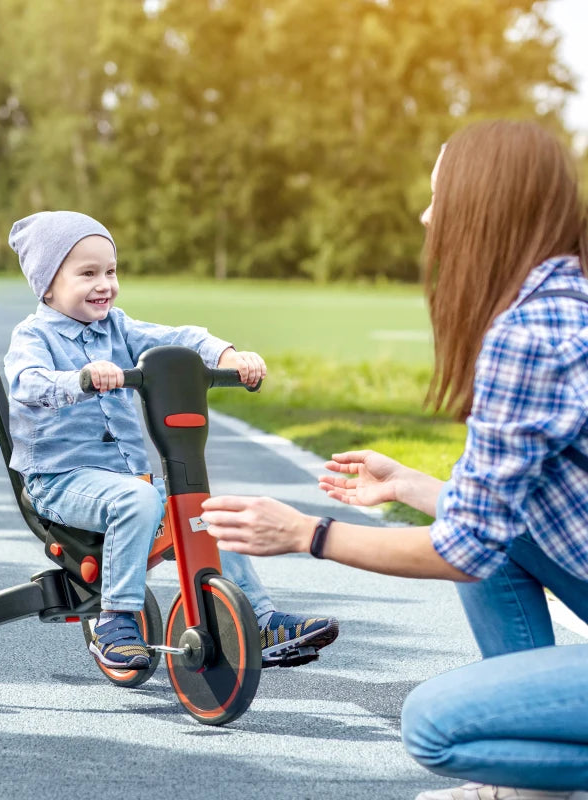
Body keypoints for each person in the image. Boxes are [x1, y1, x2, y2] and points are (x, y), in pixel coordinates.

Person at [199, 120, 588, 798]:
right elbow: (499, 516)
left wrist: (306, 535)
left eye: (440, 197)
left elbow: (462, 550)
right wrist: (412, 484)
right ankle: (531, 788)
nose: (426, 216)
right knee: (495, 536)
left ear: (485, 207)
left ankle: (526, 778)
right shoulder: (564, 301)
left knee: (436, 727)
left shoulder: (528, 335)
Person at [3, 209, 339, 672]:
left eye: (110, 271)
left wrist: (227, 354)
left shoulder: (116, 328)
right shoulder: (33, 336)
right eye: (87, 274)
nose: (104, 284)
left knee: (205, 509)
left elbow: (177, 338)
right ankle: (115, 619)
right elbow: (27, 382)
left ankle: (257, 621)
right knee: (138, 499)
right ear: (47, 286)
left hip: (126, 482)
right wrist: (78, 379)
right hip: (59, 482)